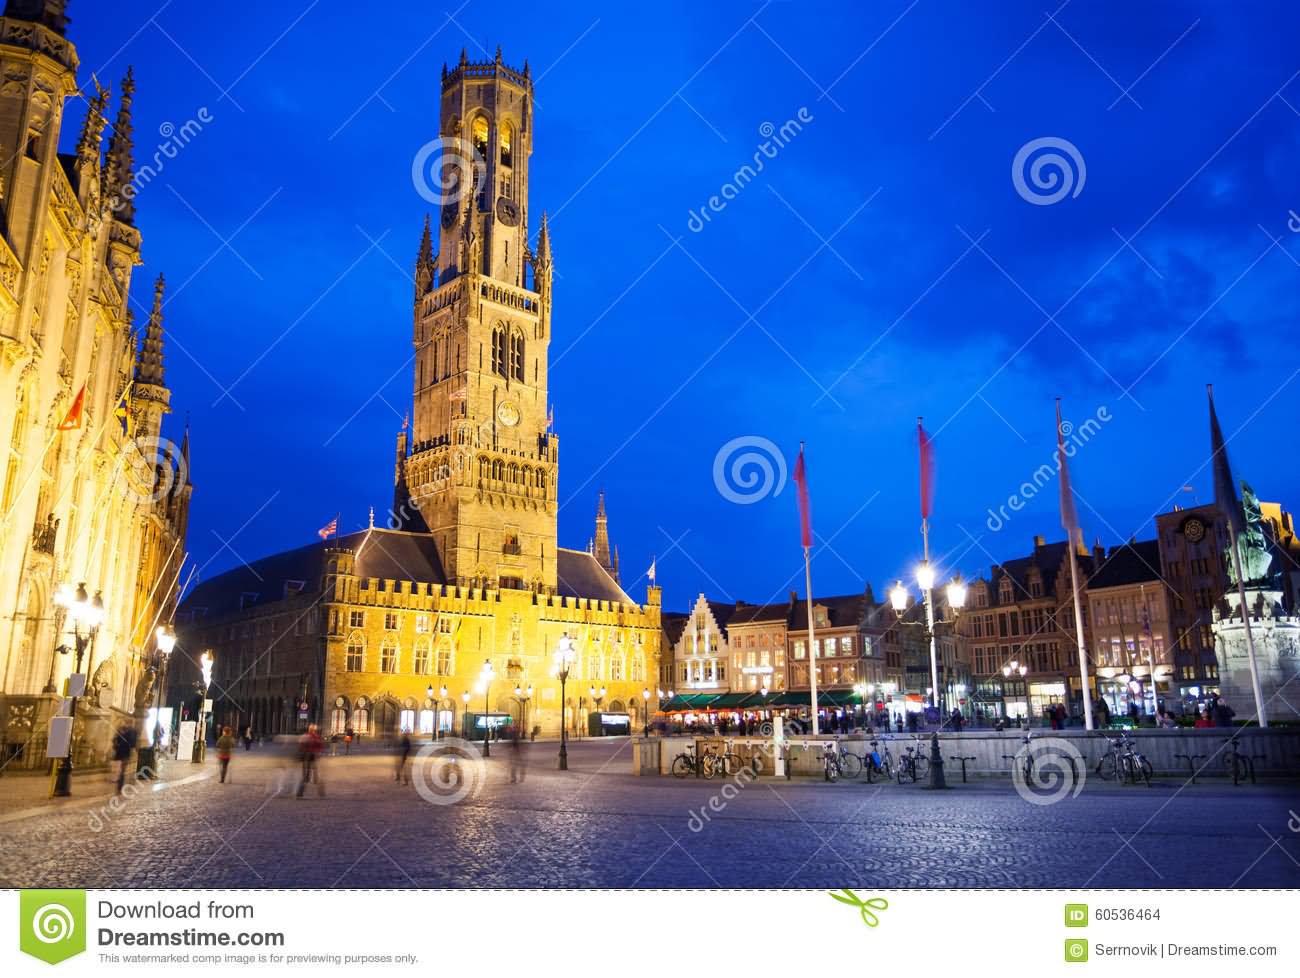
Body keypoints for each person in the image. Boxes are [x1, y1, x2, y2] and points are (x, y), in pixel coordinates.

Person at [296, 724, 325, 798]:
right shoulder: (317, 737)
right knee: (317, 776)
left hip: (307, 757)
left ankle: (300, 792)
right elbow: (321, 747)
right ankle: (321, 792)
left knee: (306, 776)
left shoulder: (304, 736)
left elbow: (300, 747)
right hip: (313, 757)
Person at [111, 723, 137, 794]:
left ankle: (120, 785)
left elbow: (115, 741)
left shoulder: (129, 732)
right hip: (123, 754)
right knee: (122, 770)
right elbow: (132, 743)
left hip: (121, 753)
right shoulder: (131, 732)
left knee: (122, 770)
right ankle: (120, 786)